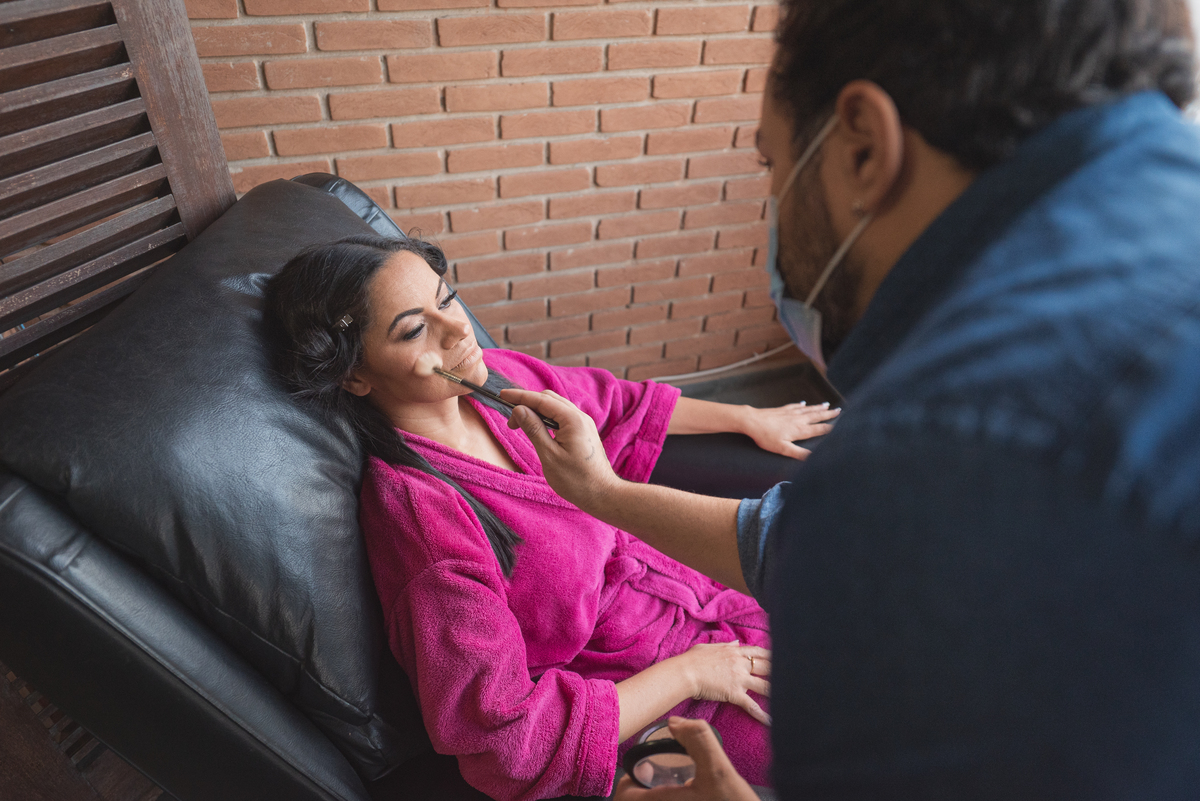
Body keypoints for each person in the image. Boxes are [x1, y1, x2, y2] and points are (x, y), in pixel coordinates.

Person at [500, 0, 1200, 797]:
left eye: (770, 164)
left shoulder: (943, 453)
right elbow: (795, 538)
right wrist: (601, 494)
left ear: (863, 145)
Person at [263, 234, 841, 801]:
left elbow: (619, 404)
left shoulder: (503, 383)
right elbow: (507, 742)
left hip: (701, 604)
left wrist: (746, 419)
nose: (459, 328)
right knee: (854, 750)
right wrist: (691, 675)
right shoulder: (422, 520)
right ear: (355, 376)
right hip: (647, 703)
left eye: (446, 298)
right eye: (416, 329)